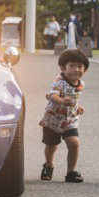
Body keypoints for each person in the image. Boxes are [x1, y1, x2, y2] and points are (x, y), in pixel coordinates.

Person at [39, 49, 89, 183]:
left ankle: (71, 172)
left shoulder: (81, 84)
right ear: (63, 67)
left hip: (69, 120)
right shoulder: (59, 81)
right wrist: (61, 100)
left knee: (74, 143)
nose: (76, 70)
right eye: (72, 66)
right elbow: (51, 95)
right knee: (51, 146)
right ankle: (48, 165)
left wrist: (78, 106)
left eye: (80, 66)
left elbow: (74, 97)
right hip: (53, 120)